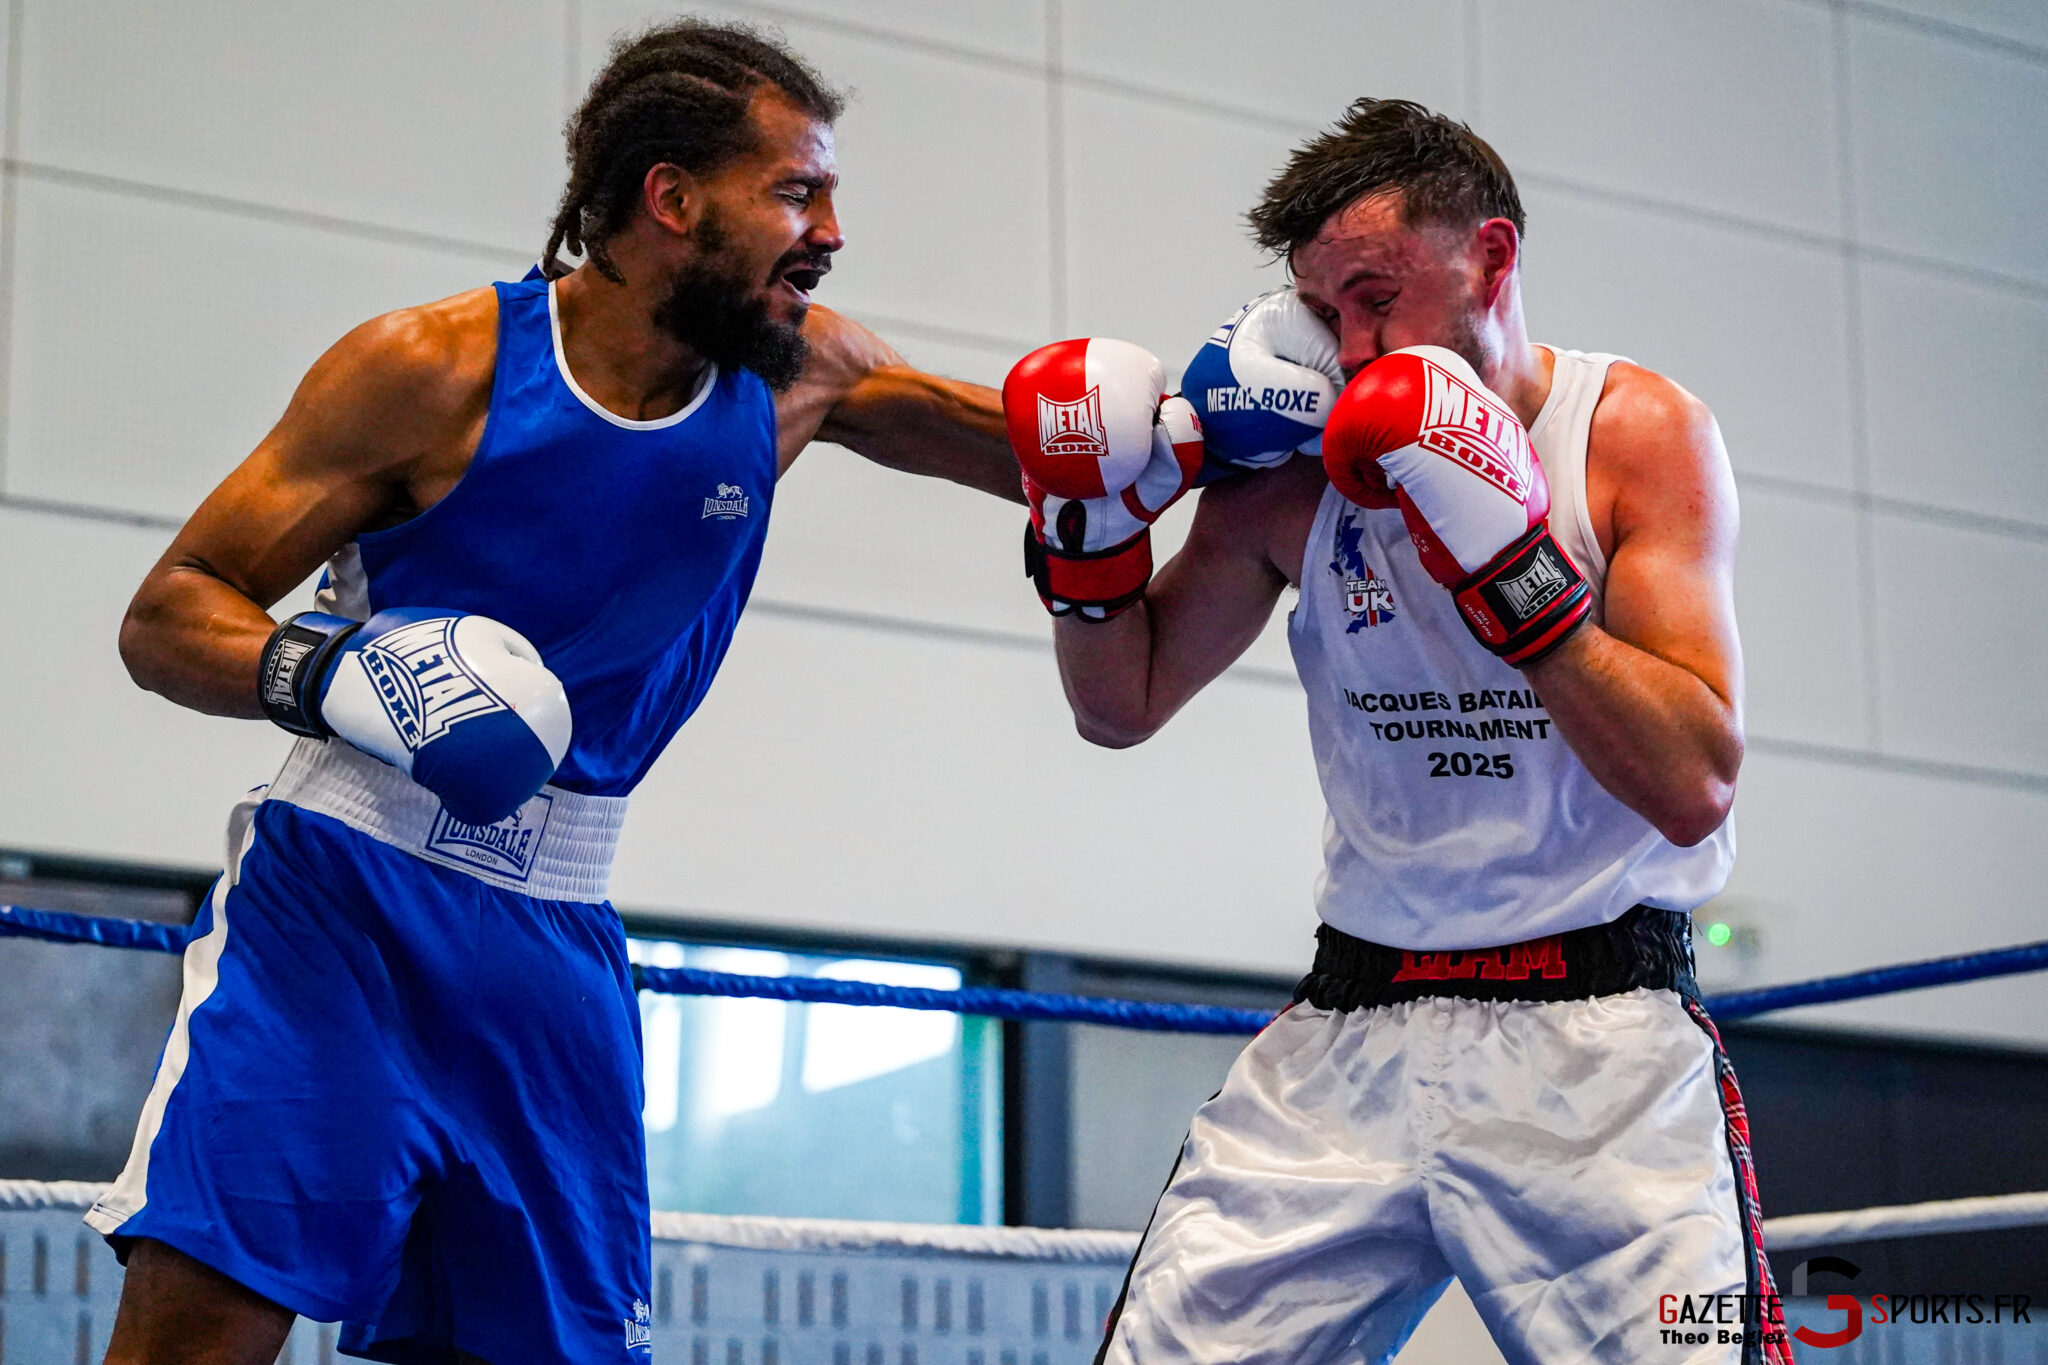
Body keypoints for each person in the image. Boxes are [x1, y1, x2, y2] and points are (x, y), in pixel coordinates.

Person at [92, 21, 1015, 1365]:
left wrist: (1244, 417)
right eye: (796, 191)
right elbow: (169, 611)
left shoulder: (799, 372)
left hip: (553, 939)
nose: (829, 232)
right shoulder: (433, 368)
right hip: (341, 905)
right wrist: (332, 671)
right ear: (672, 197)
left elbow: (1050, 452)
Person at [1004, 99, 1791, 1364]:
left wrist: (1515, 575)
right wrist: (1084, 545)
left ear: (1490, 255)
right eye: (1324, 312)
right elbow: (1119, 707)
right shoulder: (1292, 470)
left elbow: (1692, 782)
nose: (1354, 344)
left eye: (1376, 297)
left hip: (1596, 1040)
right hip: (1348, 1031)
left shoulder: (1631, 435)